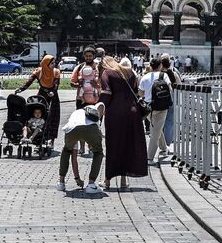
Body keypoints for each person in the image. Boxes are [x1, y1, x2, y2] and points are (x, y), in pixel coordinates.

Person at [99, 54, 148, 190]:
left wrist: (99, 108)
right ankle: (123, 180)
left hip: (115, 113)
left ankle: (107, 180)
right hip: (133, 113)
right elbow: (137, 91)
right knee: (127, 145)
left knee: (113, 145)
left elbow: (106, 93)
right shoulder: (130, 72)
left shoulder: (107, 73)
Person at [58, 102, 104, 193]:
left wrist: (77, 178)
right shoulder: (95, 114)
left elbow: (74, 157)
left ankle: (61, 182)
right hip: (90, 129)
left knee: (66, 151)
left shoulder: (77, 112)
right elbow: (95, 133)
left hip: (71, 129)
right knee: (98, 153)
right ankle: (91, 184)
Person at [15, 54, 61, 142]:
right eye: (51, 63)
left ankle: (51, 139)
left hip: (52, 96)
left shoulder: (56, 72)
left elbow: (56, 84)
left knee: (52, 117)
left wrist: (53, 92)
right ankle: (37, 137)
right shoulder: (39, 71)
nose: (53, 65)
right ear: (45, 64)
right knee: (39, 114)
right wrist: (21, 89)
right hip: (41, 95)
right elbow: (29, 81)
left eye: (54, 63)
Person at [140, 56, 173, 164]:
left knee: (156, 128)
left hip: (148, 108)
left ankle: (164, 149)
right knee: (155, 132)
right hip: (161, 107)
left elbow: (140, 93)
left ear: (150, 66)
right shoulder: (164, 75)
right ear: (160, 66)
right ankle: (149, 158)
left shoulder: (145, 77)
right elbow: (170, 88)